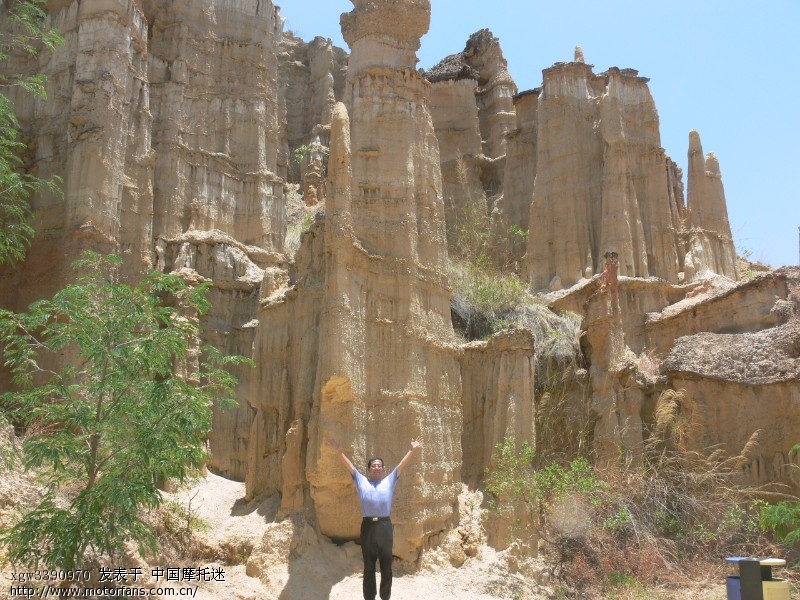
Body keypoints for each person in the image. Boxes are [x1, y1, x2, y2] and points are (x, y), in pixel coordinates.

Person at [329, 436, 424, 600]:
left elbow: (401, 466)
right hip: (368, 527)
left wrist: (412, 450)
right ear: (368, 469)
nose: (377, 468)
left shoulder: (390, 480)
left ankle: (385, 597)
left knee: (386, 565)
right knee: (369, 566)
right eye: (374, 466)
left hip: (385, 527)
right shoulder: (361, 481)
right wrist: (339, 452)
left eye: (379, 466)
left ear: (383, 468)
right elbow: (350, 466)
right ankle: (369, 597)